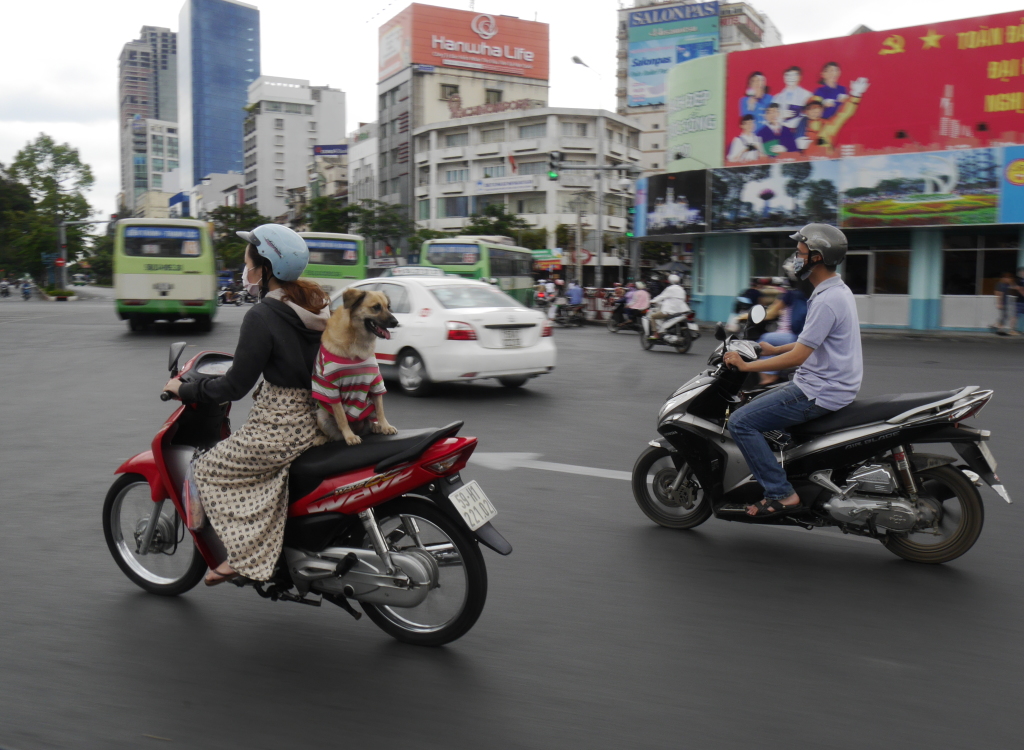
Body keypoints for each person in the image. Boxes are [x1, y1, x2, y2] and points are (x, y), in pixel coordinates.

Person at [162, 224, 331, 586]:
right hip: (318, 419)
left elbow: (235, 386)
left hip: (281, 425)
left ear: (266, 267)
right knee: (251, 469)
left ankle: (243, 557)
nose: (245, 271)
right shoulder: (312, 303)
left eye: (248, 264)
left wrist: (186, 390)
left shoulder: (263, 316)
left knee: (207, 469)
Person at [723, 224, 862, 517]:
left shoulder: (826, 299)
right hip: (833, 383)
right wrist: (774, 349)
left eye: (800, 253)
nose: (795, 259)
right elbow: (811, 344)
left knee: (740, 422)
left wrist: (747, 365)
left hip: (819, 390)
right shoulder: (837, 290)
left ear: (817, 257)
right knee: (759, 403)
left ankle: (781, 493)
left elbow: (799, 357)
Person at [792, 78, 869, 156]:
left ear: (822, 110)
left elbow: (843, 115)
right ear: (806, 111)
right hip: (806, 162)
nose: (815, 111)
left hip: (826, 160)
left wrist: (856, 94)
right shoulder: (801, 126)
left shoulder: (828, 125)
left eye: (818, 108)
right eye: (812, 109)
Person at [757, 272, 809, 385]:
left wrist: (743, 316)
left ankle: (769, 377)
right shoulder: (805, 295)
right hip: (800, 336)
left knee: (763, 340)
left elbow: (770, 313)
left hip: (792, 336)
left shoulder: (789, 295)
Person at [994, 272, 1018, 336]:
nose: (1008, 279)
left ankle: (998, 326)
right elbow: (998, 293)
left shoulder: (1006, 284)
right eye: (1007, 278)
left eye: (1009, 278)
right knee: (1004, 316)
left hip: (1006, 302)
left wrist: (1011, 282)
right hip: (1003, 302)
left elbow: (1015, 287)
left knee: (1005, 316)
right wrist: (999, 303)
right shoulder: (1001, 284)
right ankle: (999, 329)